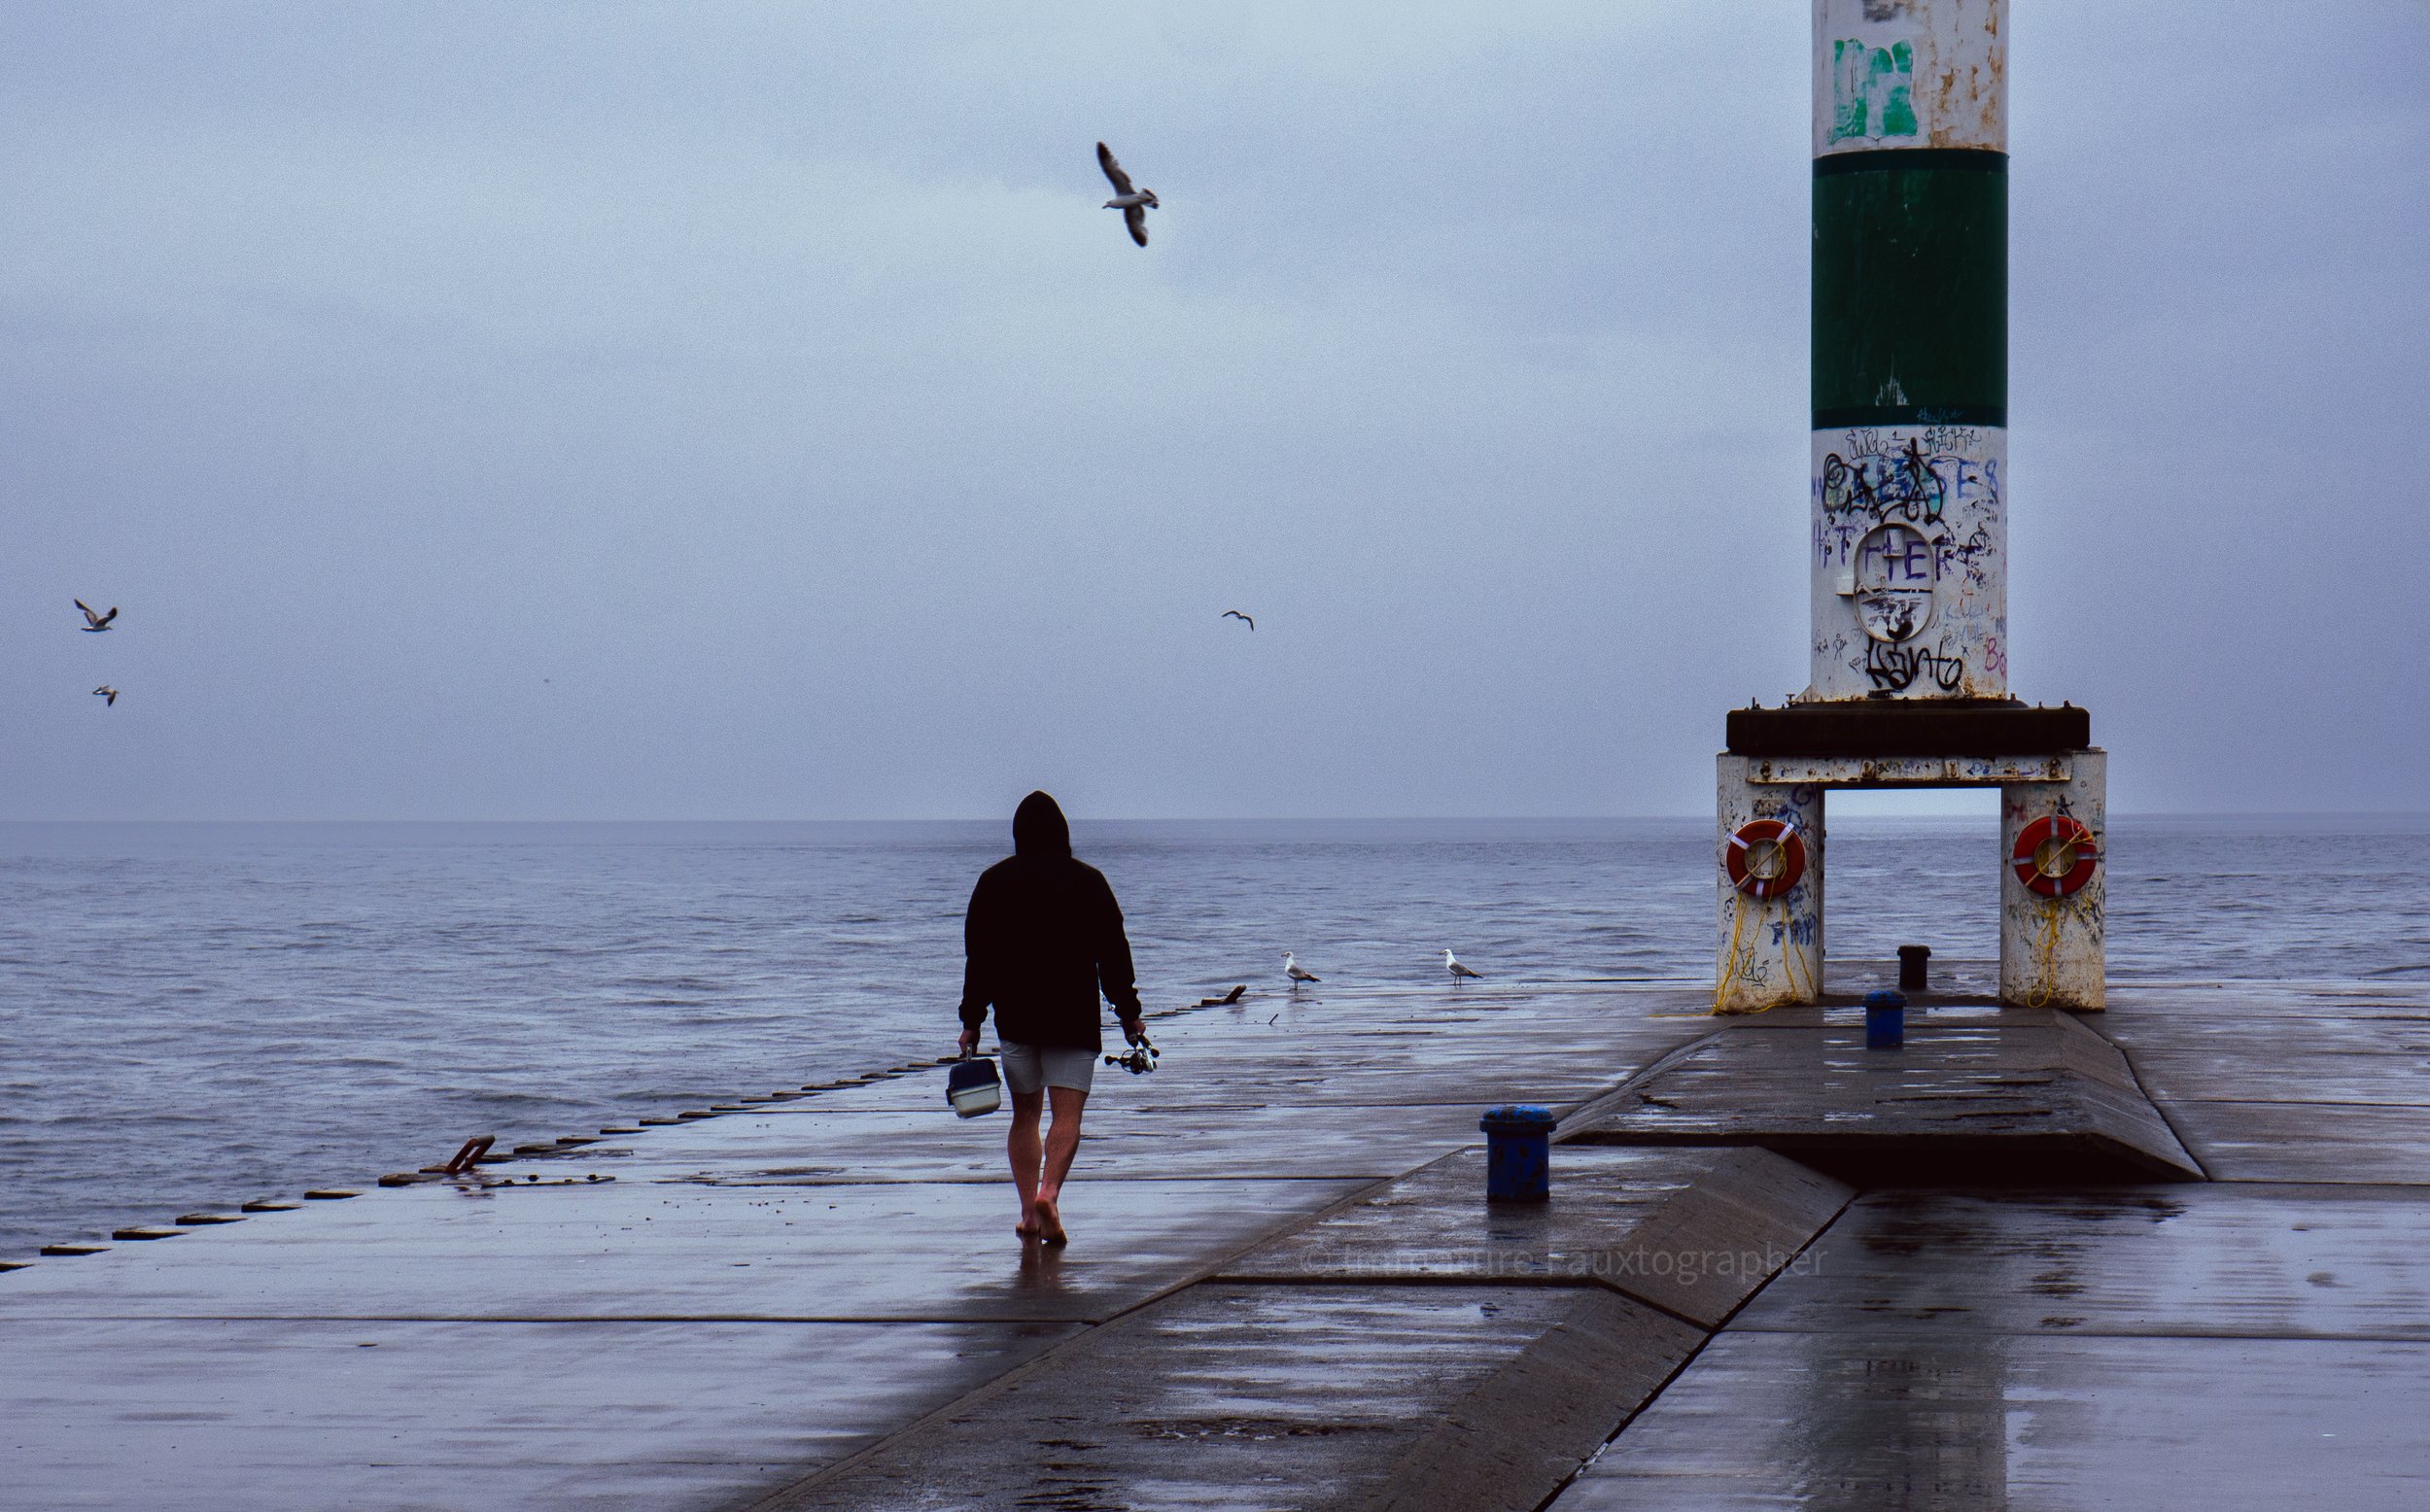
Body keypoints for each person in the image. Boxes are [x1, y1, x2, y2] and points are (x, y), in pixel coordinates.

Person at [956, 791, 1145, 1246]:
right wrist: (1129, 1014)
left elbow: (978, 959)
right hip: (1073, 1020)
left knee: (1025, 1116)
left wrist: (971, 1019)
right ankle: (1051, 1192)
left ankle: (1027, 1213)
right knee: (1067, 1116)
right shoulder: (1089, 882)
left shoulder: (992, 883)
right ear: (1064, 833)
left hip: (1016, 1019)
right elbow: (1114, 957)